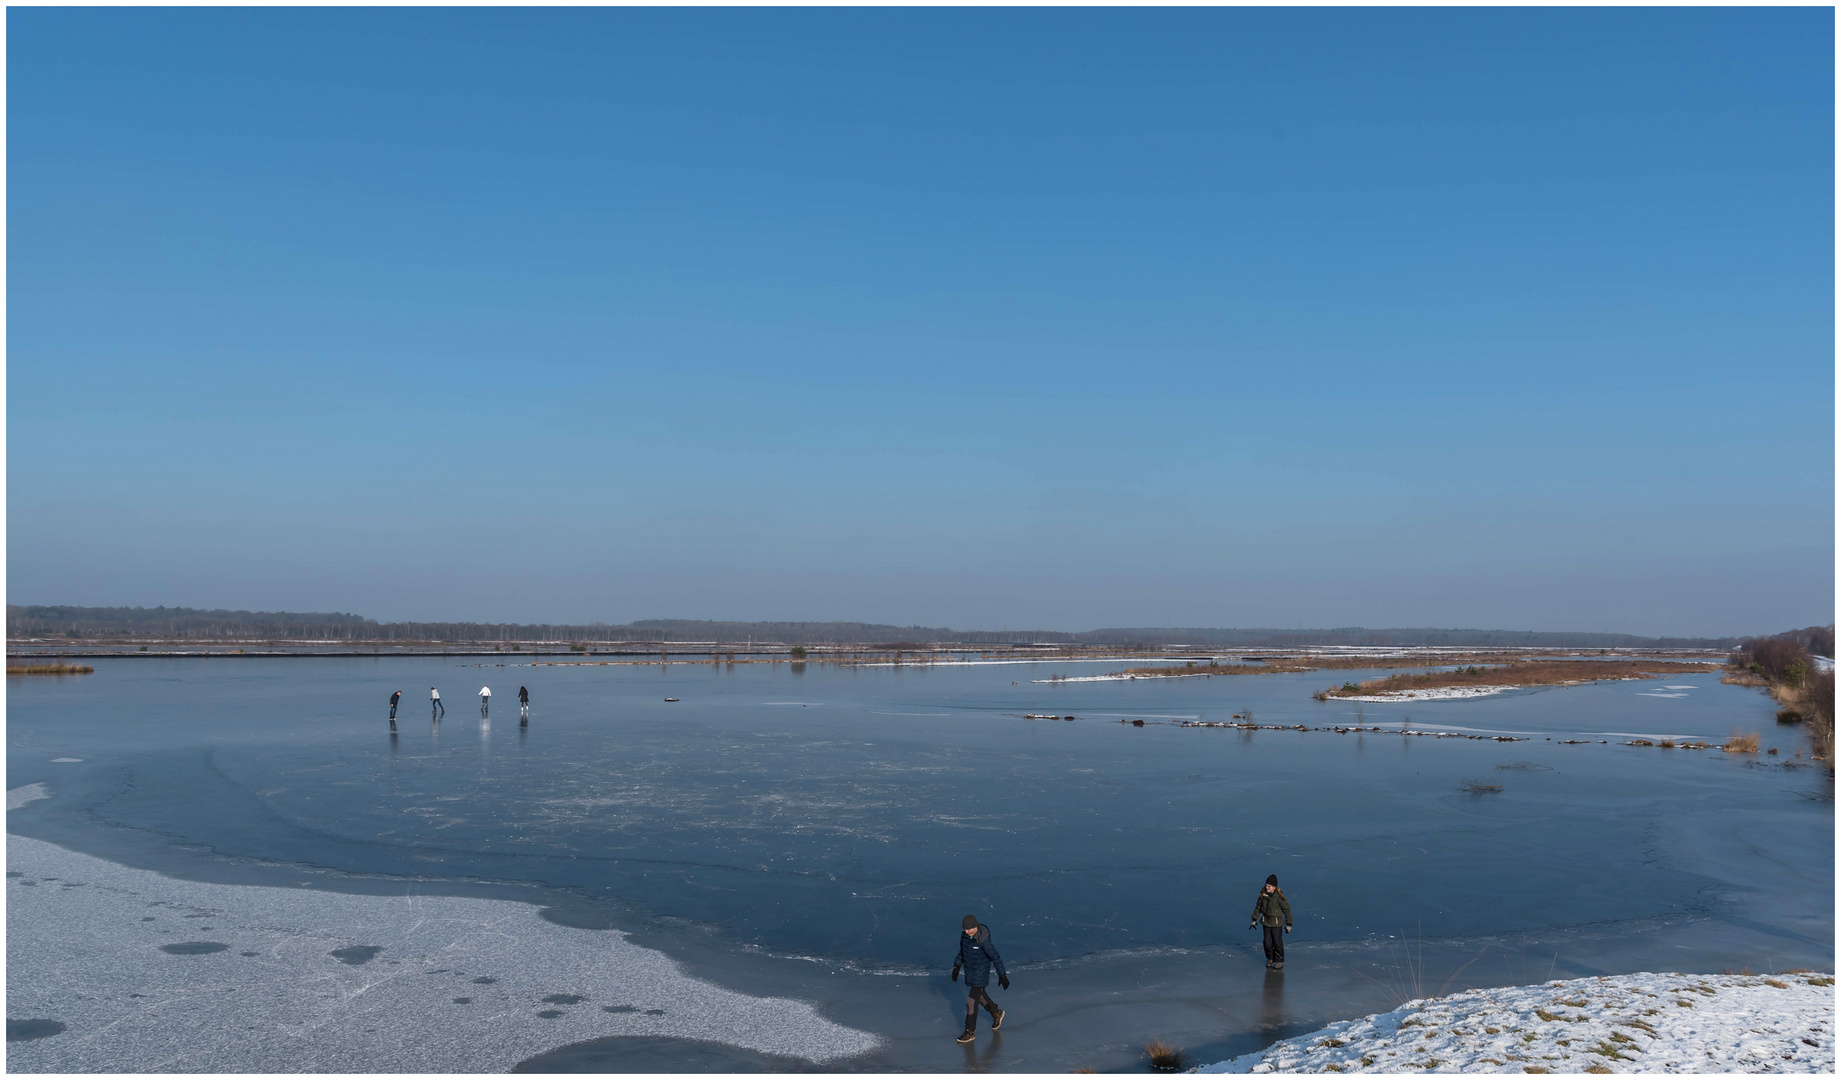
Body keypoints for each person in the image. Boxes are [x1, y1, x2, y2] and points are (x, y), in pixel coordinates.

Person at [950, 914, 1009, 1044]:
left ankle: (969, 1031)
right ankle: (996, 1012)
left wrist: (1002, 975)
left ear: (975, 927)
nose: (966, 931)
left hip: (981, 974)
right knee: (980, 996)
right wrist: (956, 966)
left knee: (971, 1002)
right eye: (964, 929)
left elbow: (995, 957)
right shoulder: (965, 936)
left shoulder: (984, 941)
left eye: (968, 929)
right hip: (971, 973)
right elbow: (962, 952)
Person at [1250, 874, 1293, 970]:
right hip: (1266, 922)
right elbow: (1258, 908)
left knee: (1277, 943)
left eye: (1269, 886)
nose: (1267, 887)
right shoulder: (1263, 896)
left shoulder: (1279, 898)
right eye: (1266, 885)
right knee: (1267, 943)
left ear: (1274, 887)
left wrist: (1289, 924)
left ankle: (1279, 960)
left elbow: (1287, 910)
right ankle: (1270, 958)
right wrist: (1254, 919)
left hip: (1277, 923)